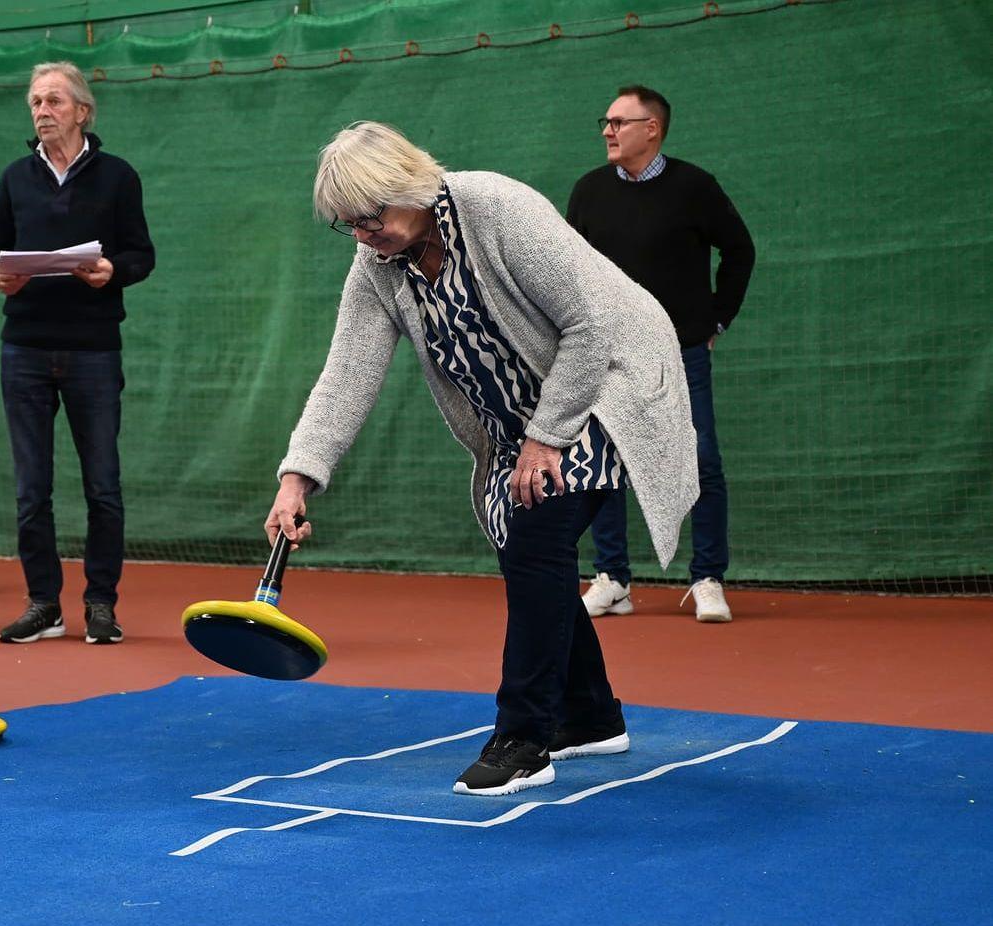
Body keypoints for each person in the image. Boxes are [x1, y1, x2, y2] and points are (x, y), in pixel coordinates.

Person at [267, 122, 698, 795]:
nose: (362, 234)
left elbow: (590, 327)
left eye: (370, 215)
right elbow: (346, 373)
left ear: (406, 187)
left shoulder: (496, 208)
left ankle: (523, 738)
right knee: (532, 554)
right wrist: (297, 476)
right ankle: (589, 717)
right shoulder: (378, 265)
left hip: (609, 382)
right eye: (346, 224)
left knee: (534, 533)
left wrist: (546, 437)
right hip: (518, 420)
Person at [0, 60, 155, 646]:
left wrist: (113, 271)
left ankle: (101, 604)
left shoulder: (118, 177)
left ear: (82, 110)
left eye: (54, 101)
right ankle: (43, 605)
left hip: (93, 352)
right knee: (32, 490)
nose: (42, 111)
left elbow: (140, 255)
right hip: (23, 349)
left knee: (102, 485)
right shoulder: (14, 177)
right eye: (35, 101)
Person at [567, 85, 755, 623]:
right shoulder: (589, 191)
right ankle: (614, 580)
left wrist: (717, 317)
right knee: (603, 465)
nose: (607, 129)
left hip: (681, 351)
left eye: (619, 122)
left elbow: (739, 249)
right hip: (605, 355)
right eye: (605, 121)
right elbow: (569, 269)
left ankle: (708, 579)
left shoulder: (695, 187)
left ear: (652, 129)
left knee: (702, 461)